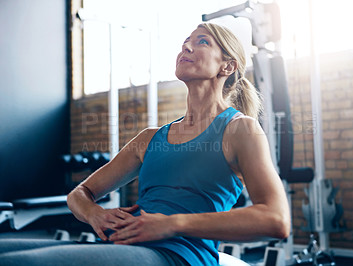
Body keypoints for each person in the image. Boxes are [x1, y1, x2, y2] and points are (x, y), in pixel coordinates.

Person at [0, 22, 290, 266]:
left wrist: (172, 223)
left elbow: (276, 219)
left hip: (177, 255)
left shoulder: (239, 129)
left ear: (227, 65)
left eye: (201, 42)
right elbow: (80, 193)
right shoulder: (151, 138)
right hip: (124, 245)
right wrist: (96, 215)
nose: (186, 47)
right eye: (184, 42)